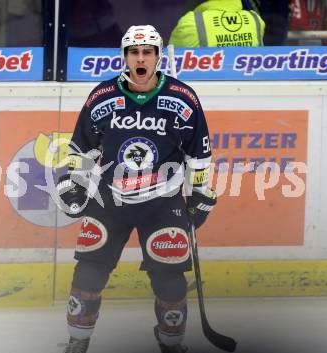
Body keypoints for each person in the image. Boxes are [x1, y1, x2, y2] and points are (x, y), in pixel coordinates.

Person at [57, 25, 217, 353]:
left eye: (147, 52)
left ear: (158, 56)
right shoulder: (103, 97)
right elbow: (81, 150)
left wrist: (200, 193)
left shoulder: (182, 97)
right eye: (133, 52)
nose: (140, 58)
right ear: (124, 56)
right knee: (88, 274)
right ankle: (78, 340)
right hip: (109, 199)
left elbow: (198, 154)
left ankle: (171, 342)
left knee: (170, 280)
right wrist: (75, 183)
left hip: (163, 200)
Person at [169, 0, 265, 47]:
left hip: (203, 85)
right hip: (248, 84)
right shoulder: (255, 19)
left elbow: (171, 63)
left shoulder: (189, 23)